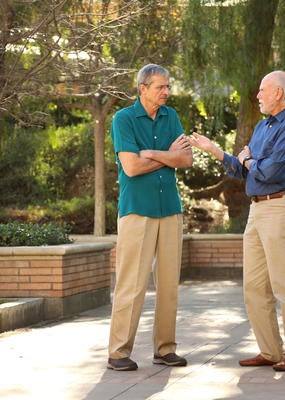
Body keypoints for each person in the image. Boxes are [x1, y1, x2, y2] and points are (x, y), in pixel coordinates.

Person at [189, 70, 285, 371]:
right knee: (254, 285)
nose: (257, 96)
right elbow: (245, 170)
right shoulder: (261, 127)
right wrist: (217, 152)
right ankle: (270, 351)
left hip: (282, 206)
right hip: (257, 210)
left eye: (262, 91)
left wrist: (250, 161)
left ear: (278, 93)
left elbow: (273, 172)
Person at [107, 63, 193, 371]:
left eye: (168, 86)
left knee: (169, 283)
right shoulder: (123, 119)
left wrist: (152, 154)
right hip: (137, 210)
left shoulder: (172, 117)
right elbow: (131, 167)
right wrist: (166, 156)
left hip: (170, 208)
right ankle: (118, 352)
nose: (167, 92)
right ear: (142, 88)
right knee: (131, 283)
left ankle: (165, 349)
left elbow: (186, 157)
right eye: (161, 87)